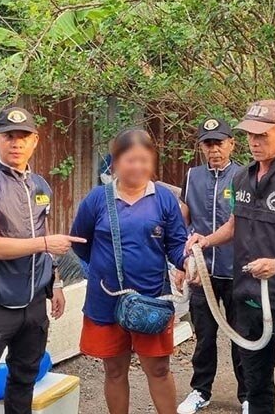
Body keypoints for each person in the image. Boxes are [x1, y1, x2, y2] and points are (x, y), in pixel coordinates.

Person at [188, 100, 275, 414]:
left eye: (263, 135)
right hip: (248, 302)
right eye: (250, 134)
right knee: (256, 388)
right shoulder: (242, 178)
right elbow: (234, 226)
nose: (254, 141)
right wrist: (205, 240)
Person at [0, 106, 85, 414]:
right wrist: (43, 243)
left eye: (23, 136)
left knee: (24, 379)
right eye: (9, 136)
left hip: (35, 303)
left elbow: (44, 234)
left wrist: (56, 281)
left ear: (35, 141)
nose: (16, 143)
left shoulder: (41, 186)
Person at [70, 129, 190, 414]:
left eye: (144, 160)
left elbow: (175, 245)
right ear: (115, 162)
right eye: (130, 160)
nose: (138, 167)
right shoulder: (97, 199)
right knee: (114, 369)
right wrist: (104, 270)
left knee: (159, 368)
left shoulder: (164, 198)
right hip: (106, 299)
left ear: (153, 161)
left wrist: (188, 262)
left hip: (152, 299)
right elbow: (81, 244)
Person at [177, 117, 247, 414]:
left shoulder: (246, 176)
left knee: (242, 337)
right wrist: (182, 259)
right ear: (201, 147)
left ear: (232, 143)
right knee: (204, 337)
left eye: (219, 143)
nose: (214, 149)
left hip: (238, 272)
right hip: (202, 273)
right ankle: (200, 391)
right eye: (208, 144)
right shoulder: (193, 176)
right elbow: (183, 216)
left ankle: (248, 396)